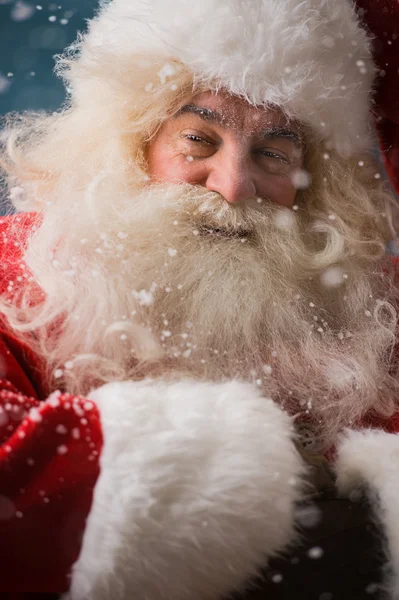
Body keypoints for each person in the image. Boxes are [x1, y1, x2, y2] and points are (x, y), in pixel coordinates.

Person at [0, 0, 399, 598]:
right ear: (130, 144)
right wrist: (188, 480)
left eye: (273, 153)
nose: (235, 186)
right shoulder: (20, 272)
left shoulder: (372, 303)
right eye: (197, 139)